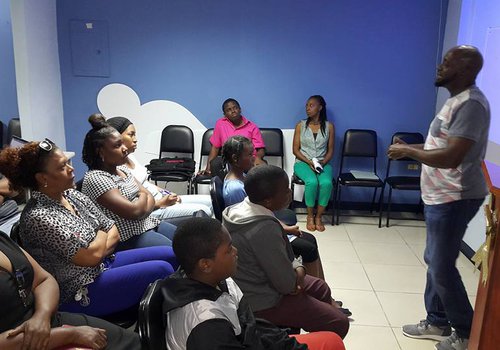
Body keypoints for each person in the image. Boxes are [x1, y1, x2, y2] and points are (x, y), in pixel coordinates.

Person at [388, 45, 490, 350]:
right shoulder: (455, 101)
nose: (439, 66)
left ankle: (466, 331)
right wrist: (414, 145)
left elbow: (451, 156)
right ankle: (436, 321)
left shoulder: (471, 104)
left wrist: (408, 150)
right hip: (439, 196)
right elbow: (441, 144)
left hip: (454, 197)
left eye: (447, 63)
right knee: (436, 260)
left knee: (441, 265)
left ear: (467, 70)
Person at [0, 141, 176, 317]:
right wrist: (100, 234)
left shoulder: (72, 195)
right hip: (78, 289)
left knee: (171, 254)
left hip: (103, 265)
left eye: (68, 162)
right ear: (42, 178)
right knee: (162, 270)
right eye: (62, 167)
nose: (71, 168)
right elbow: (91, 255)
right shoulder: (39, 216)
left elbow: (112, 230)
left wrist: (97, 246)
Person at [163, 217, 346, 350]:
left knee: (331, 340)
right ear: (205, 264)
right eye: (228, 250)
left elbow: (249, 324)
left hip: (246, 339)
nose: (236, 252)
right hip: (236, 341)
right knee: (332, 343)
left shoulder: (218, 280)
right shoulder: (205, 325)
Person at [223, 165, 349, 338]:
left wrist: (296, 269)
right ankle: (318, 334)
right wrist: (299, 269)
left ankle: (317, 323)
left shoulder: (242, 208)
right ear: (268, 200)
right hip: (261, 300)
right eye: (285, 190)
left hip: (261, 282)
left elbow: (286, 256)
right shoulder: (263, 229)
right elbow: (287, 285)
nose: (290, 192)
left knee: (321, 287)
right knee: (339, 323)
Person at [0, 230, 141, 350]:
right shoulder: (39, 216)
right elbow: (92, 256)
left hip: (48, 317)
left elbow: (43, 280)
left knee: (135, 343)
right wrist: (69, 334)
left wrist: (42, 315)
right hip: (22, 342)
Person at [222, 135, 329, 282]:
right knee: (308, 248)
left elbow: (261, 212)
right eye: (249, 154)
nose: (254, 158)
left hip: (264, 224)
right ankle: (313, 290)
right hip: (256, 236)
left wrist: (284, 226)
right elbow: (249, 222)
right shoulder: (235, 189)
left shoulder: (243, 177)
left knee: (311, 239)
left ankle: (323, 289)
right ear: (235, 159)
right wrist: (285, 229)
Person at [82, 114, 177, 251]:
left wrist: (141, 199)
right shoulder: (96, 178)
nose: (124, 148)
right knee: (174, 251)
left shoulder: (121, 168)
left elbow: (145, 200)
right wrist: (142, 196)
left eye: (122, 143)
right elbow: (135, 212)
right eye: (117, 145)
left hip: (148, 224)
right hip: (128, 237)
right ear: (100, 151)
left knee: (187, 240)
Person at [106, 116, 213, 219]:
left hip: (162, 199)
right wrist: (161, 203)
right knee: (204, 210)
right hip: (153, 209)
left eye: (135, 135)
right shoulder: (117, 168)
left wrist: (168, 193)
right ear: (117, 138)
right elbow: (133, 207)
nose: (135, 139)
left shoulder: (131, 157)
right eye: (131, 135)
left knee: (210, 201)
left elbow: (146, 184)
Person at [293, 95, 335, 232]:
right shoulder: (300, 125)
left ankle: (319, 216)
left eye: (311, 105)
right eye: (307, 105)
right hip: (303, 162)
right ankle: (310, 216)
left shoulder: (329, 127)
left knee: (326, 183)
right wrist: (309, 162)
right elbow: (295, 150)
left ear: (320, 107)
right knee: (312, 181)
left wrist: (322, 162)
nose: (307, 108)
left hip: (323, 163)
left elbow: (330, 151)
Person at [199, 98, 266, 176]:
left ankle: (246, 186)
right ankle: (225, 187)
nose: (233, 111)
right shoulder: (220, 124)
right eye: (229, 110)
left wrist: (258, 158)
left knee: (261, 168)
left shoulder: (252, 127)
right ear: (225, 114)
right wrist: (208, 169)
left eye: (235, 108)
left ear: (240, 109)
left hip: (246, 159)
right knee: (216, 163)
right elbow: (215, 148)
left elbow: (260, 149)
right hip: (228, 160)